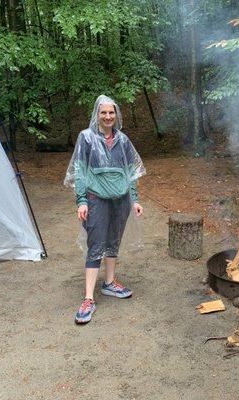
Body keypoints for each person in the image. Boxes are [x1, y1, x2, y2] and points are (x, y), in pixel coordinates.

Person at [64, 95, 146, 324]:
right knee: (96, 244)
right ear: (97, 115)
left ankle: (110, 283)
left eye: (112, 113)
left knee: (113, 240)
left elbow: (131, 172)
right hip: (96, 199)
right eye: (104, 113)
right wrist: (81, 200)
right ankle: (88, 298)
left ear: (116, 115)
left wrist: (135, 199)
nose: (108, 117)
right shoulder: (86, 138)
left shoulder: (123, 140)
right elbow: (79, 171)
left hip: (120, 200)